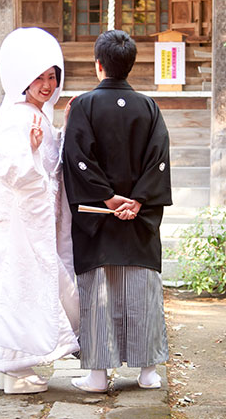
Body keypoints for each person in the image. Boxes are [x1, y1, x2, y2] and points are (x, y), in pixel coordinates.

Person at [62, 29, 171, 392]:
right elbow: (159, 161)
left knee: (99, 291)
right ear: (130, 66)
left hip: (98, 217)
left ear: (98, 66)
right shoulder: (149, 107)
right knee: (143, 289)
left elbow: (77, 159)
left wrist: (108, 200)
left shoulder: (84, 105)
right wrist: (137, 201)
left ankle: (97, 374)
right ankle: (148, 372)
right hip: (139, 219)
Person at [0, 27, 80, 394]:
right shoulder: (19, 117)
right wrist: (35, 151)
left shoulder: (36, 115)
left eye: (52, 77)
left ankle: (11, 369)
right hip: (22, 225)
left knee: (22, 288)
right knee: (19, 288)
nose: (47, 85)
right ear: (22, 79)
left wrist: (65, 132)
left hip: (34, 222)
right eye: (39, 77)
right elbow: (17, 172)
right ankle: (14, 370)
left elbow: (50, 170)